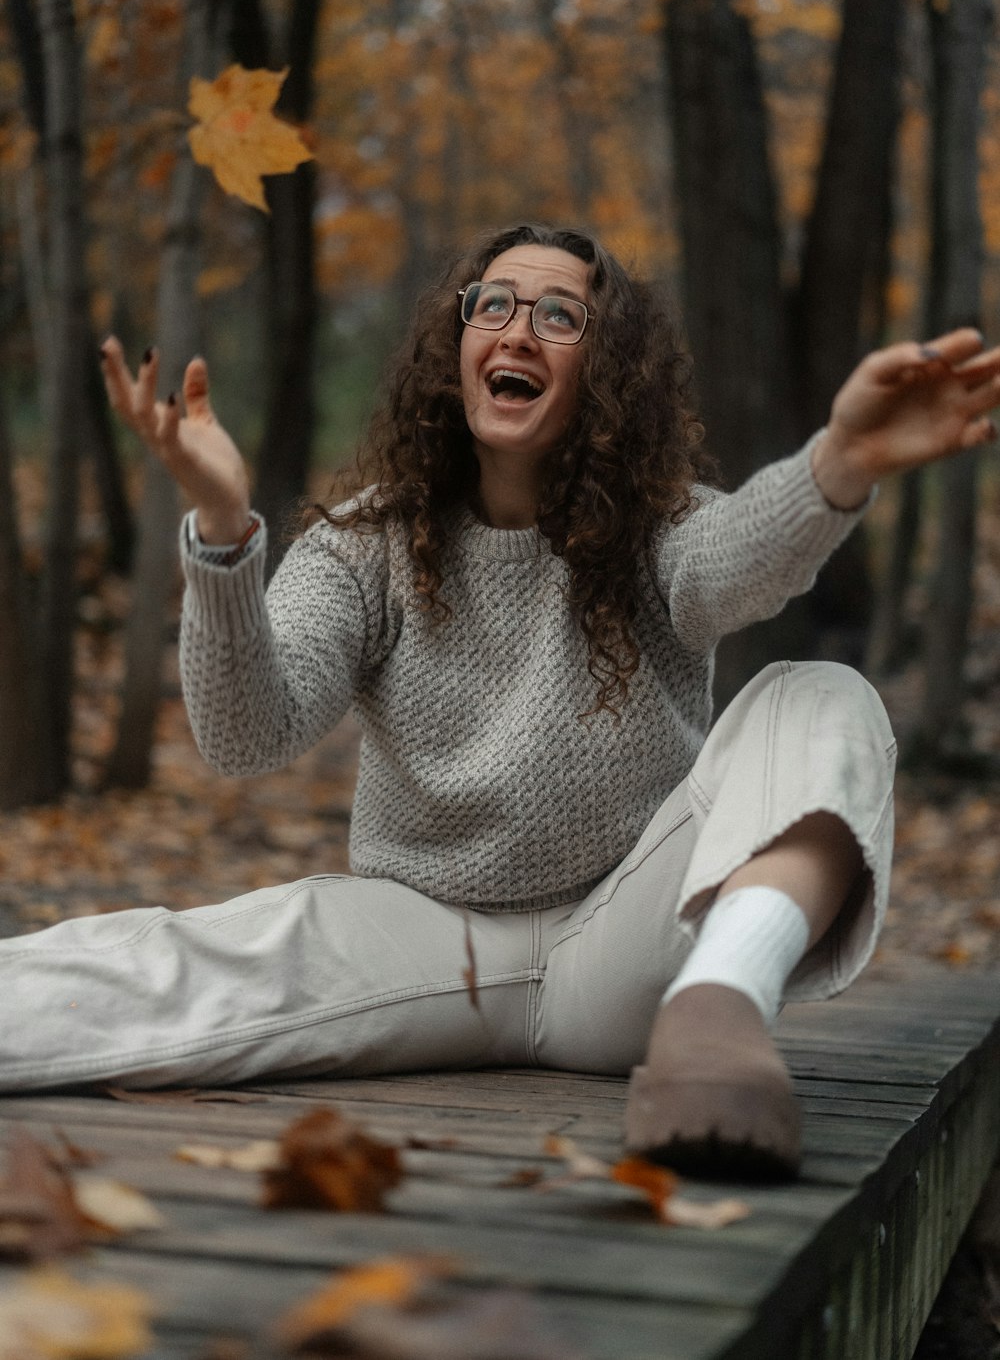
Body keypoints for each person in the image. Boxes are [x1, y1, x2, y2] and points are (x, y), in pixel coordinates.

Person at [4, 223, 999, 1182]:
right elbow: (246, 733)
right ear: (459, 343)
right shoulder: (366, 545)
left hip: (631, 945)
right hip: (421, 940)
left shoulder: (661, 530)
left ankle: (722, 1004)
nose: (519, 330)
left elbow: (747, 558)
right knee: (171, 964)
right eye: (496, 305)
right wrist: (222, 530)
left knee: (821, 697)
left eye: (560, 316)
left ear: (607, 369)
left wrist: (843, 461)